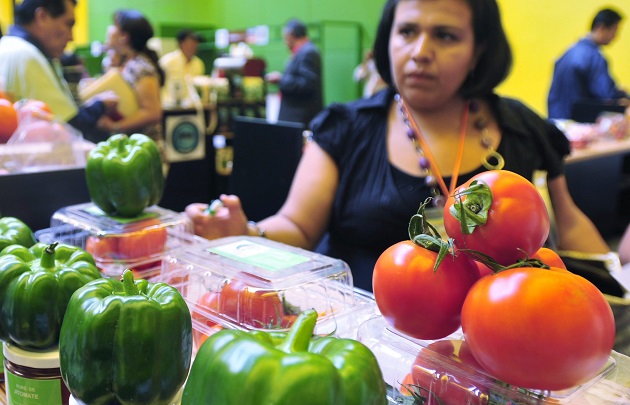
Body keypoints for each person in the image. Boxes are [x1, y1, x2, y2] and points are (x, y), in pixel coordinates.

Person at [186, 0, 610, 291]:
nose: (419, 51)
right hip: (363, 338)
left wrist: (614, 277)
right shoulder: (346, 126)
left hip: (500, 347)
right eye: (407, 31)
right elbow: (298, 226)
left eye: (445, 36)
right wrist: (249, 233)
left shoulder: (522, 128)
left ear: (479, 50)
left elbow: (568, 224)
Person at [0, 0, 118, 142]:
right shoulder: (25, 55)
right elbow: (67, 128)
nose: (71, 37)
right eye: (68, 24)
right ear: (42, 16)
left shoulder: (9, 45)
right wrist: (100, 104)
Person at [95, 9, 165, 149]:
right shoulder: (123, 63)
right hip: (130, 149)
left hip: (143, 153)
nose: (109, 29)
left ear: (124, 37)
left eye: (114, 25)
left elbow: (152, 112)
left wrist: (115, 126)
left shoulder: (140, 67)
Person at [548, 8, 630, 120]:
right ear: (601, 27)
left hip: (556, 120)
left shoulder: (568, 52)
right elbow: (605, 94)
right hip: (578, 125)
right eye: (614, 30)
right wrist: (621, 96)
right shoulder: (593, 57)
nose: (615, 36)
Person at [265, 19, 323, 125]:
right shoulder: (304, 51)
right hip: (297, 116)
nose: (284, 42)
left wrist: (280, 79)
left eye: (285, 37)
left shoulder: (308, 52)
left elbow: (307, 84)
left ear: (290, 35)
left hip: (300, 117)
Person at [159, 28, 206, 106]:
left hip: (193, 107)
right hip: (170, 107)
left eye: (196, 43)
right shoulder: (167, 62)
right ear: (181, 43)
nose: (194, 45)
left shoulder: (198, 63)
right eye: (191, 42)